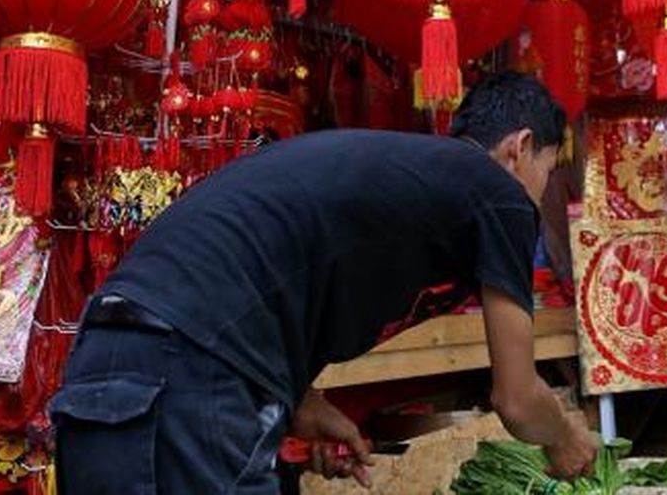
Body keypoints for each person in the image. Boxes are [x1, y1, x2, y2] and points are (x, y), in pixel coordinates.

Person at [49, 72, 598, 493]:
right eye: (547, 173)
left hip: (114, 365)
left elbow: (251, 280)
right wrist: (567, 436)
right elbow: (518, 399)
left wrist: (301, 405)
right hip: (188, 374)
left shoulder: (414, 184)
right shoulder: (494, 188)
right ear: (519, 147)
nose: (538, 195)